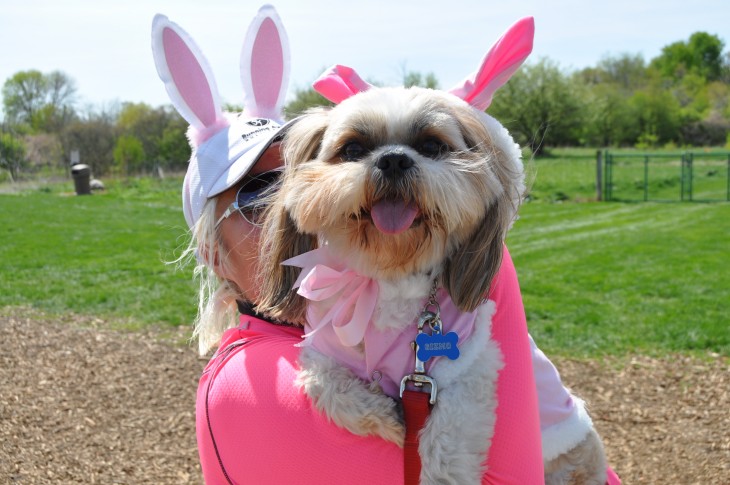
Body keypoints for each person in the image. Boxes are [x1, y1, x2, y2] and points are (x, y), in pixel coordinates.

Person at [152, 7, 619, 485]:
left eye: (288, 177)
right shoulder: (244, 383)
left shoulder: (364, 303)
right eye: (257, 193)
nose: (280, 204)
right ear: (210, 249)